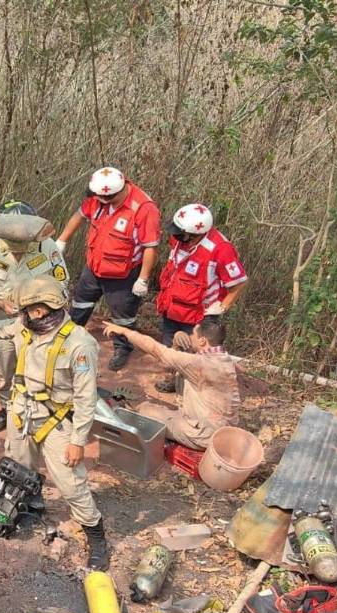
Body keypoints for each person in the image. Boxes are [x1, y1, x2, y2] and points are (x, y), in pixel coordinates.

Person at [0, 276, 110, 570]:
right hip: (21, 412)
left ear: (42, 310)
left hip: (58, 422)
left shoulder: (79, 345)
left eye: (28, 310)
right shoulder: (23, 327)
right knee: (17, 469)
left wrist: (78, 441)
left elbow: (86, 397)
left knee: (71, 484)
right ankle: (31, 504)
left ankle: (95, 533)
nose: (23, 315)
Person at [0, 200, 69, 435]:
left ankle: (42, 412)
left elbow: (61, 280)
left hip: (40, 321)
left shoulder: (47, 246)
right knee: (5, 369)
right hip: (3, 320)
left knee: (42, 368)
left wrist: (40, 304)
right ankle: (6, 409)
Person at [55, 167, 160, 371]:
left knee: (123, 316)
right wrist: (62, 240)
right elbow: (79, 214)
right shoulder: (98, 197)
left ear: (118, 191)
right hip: (94, 266)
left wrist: (143, 279)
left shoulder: (143, 208)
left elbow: (150, 246)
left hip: (123, 274)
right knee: (81, 303)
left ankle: (122, 348)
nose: (101, 202)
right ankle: (69, 334)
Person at [151, 203, 247, 392]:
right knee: (171, 345)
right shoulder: (181, 239)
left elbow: (239, 282)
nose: (175, 236)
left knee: (196, 352)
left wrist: (221, 307)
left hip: (199, 313)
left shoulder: (220, 249)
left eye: (180, 233)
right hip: (173, 307)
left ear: (195, 233)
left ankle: (195, 387)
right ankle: (173, 378)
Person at [103, 318, 239, 450]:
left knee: (145, 409)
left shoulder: (198, 364)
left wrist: (125, 331)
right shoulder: (224, 359)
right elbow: (181, 362)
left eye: (193, 335)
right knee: (177, 381)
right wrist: (177, 341)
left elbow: (156, 349)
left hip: (203, 436)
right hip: (222, 431)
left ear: (202, 341)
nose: (191, 336)